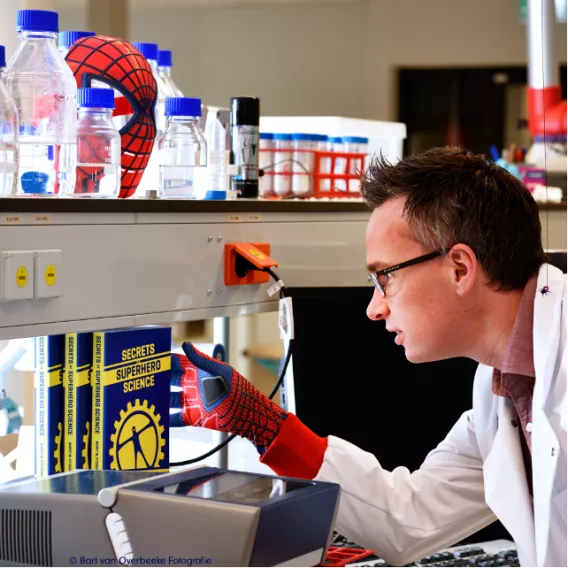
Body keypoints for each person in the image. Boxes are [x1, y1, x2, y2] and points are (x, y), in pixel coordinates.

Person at [170, 147, 568, 568]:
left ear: (460, 269)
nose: (374, 308)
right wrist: (267, 427)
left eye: (385, 277)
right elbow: (409, 520)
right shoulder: (501, 390)